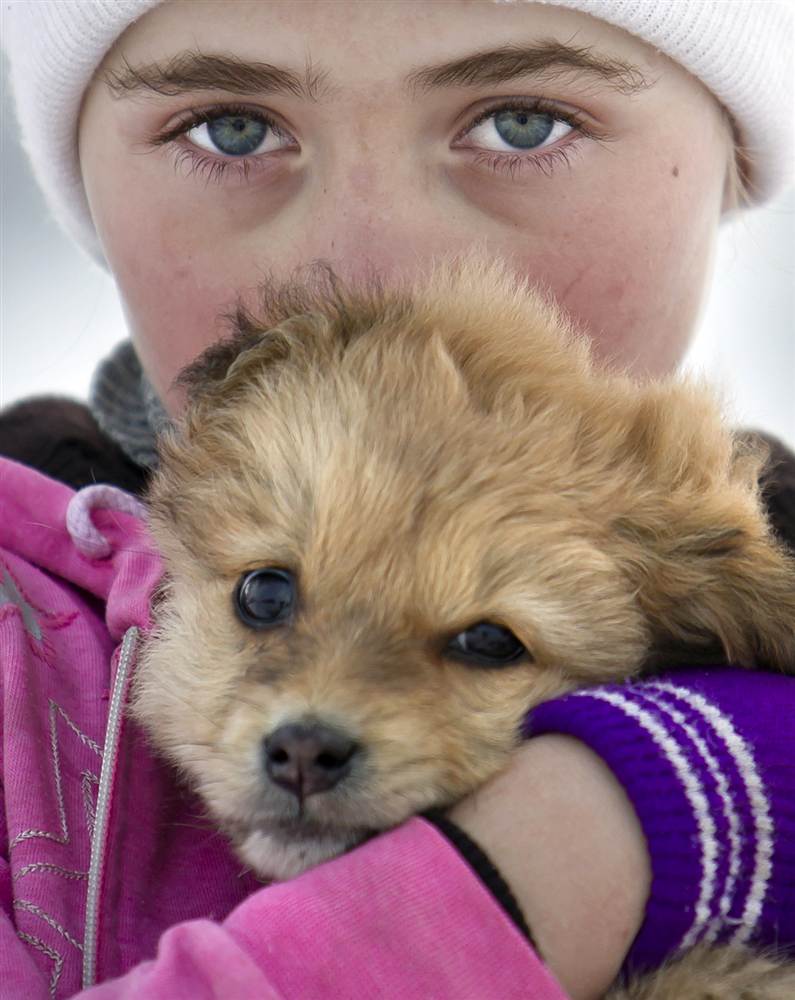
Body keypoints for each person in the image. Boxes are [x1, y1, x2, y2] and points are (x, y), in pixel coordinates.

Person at [1, 2, 793, 998]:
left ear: (731, 159)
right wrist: (578, 853)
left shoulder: (732, 598)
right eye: (234, 127)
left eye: (523, 122)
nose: (373, 253)